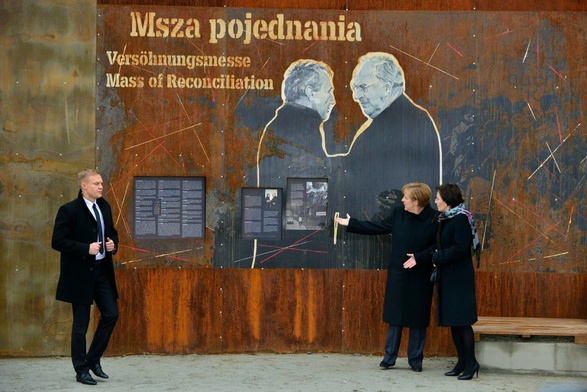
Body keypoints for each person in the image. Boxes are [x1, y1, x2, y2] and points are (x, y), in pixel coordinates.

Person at [335, 183, 438, 372]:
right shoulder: (399, 213)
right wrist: (351, 223)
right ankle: (389, 358)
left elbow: (438, 246)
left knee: (418, 317)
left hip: (421, 274)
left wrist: (420, 257)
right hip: (398, 272)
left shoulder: (434, 218)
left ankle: (415, 360)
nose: (402, 200)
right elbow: (379, 227)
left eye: (406, 197)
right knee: (395, 315)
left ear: (416, 200)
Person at [51, 169, 119, 385]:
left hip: (102, 272)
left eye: (101, 183)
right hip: (79, 275)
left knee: (111, 314)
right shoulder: (69, 210)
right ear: (84, 186)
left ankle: (93, 359)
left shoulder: (104, 206)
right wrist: (84, 248)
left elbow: (112, 231)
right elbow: (57, 241)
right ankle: (81, 370)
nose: (101, 186)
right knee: (80, 324)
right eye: (96, 183)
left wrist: (112, 244)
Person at [432, 183, 480, 380]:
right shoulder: (446, 218)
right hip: (449, 276)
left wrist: (438, 258)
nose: (435, 201)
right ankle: (461, 362)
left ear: (448, 200)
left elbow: (460, 249)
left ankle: (472, 363)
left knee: (462, 321)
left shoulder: (460, 219)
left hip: (459, 278)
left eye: (438, 198)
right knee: (453, 321)